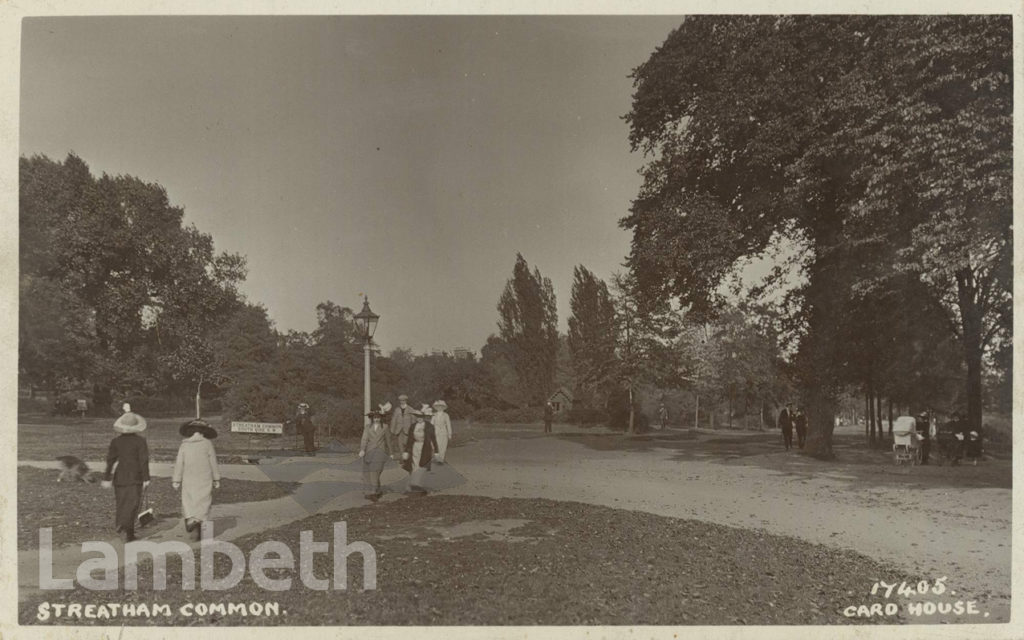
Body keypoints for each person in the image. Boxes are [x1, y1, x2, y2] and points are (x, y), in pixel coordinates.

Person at [101, 403, 151, 542]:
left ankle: (123, 527)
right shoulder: (140, 441)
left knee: (121, 503)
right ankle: (126, 529)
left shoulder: (116, 441)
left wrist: (106, 477)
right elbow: (143, 461)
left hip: (120, 476)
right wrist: (146, 477)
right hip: (135, 477)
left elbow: (110, 461)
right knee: (133, 504)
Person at [172, 419, 221, 541]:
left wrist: (176, 480)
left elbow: (179, 463)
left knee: (189, 500)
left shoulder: (184, 445)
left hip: (189, 477)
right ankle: (201, 527)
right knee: (204, 501)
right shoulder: (207, 444)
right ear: (204, 432)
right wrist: (216, 478)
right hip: (205, 477)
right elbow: (213, 462)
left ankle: (191, 520)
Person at [359, 409, 394, 502]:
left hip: (380, 452)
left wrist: (391, 453)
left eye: (378, 417)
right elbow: (364, 439)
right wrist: (362, 449)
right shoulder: (367, 427)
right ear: (372, 418)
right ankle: (373, 491)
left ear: (381, 418)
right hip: (369, 452)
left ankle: (373, 492)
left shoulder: (385, 427)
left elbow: (388, 441)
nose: (376, 419)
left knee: (375, 472)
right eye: (375, 418)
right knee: (367, 472)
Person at [402, 410, 440, 494]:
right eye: (417, 417)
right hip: (415, 446)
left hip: (425, 447)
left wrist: (436, 451)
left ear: (424, 417)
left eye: (421, 417)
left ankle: (417, 484)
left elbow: (433, 439)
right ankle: (413, 485)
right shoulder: (413, 426)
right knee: (414, 465)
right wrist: (406, 451)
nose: (419, 418)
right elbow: (409, 439)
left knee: (422, 465)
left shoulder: (429, 426)